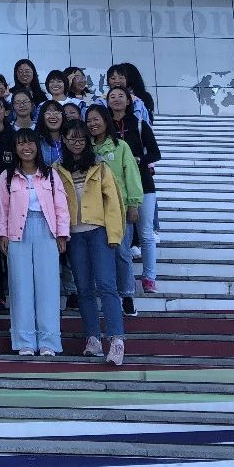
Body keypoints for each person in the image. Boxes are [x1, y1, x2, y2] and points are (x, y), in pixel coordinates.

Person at [0, 129, 70, 356]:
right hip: (18, 231)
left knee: (48, 286)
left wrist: (62, 234)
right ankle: (24, 341)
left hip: (46, 230)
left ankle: (49, 342)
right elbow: (1, 208)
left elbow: (61, 207)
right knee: (20, 286)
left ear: (37, 146)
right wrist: (2, 234)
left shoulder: (51, 175)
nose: (26, 148)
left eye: (30, 143)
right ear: (15, 148)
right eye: (20, 144)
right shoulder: (7, 177)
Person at [54, 121, 126, 366]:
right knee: (83, 288)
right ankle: (93, 338)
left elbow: (113, 202)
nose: (77, 143)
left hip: (98, 232)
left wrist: (115, 235)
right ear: (64, 140)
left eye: (81, 139)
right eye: (72, 139)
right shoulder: (56, 169)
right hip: (74, 235)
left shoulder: (100, 166)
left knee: (106, 285)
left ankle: (116, 339)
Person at [86, 103, 144, 316]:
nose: (93, 124)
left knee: (121, 253)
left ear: (106, 120)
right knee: (98, 254)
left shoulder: (121, 146)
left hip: (119, 208)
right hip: (93, 210)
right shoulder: (86, 147)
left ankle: (127, 295)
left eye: (96, 119)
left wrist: (134, 204)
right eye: (89, 120)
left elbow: (132, 176)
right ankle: (105, 295)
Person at [106, 85, 161, 295]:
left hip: (143, 184)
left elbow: (155, 153)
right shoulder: (105, 126)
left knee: (145, 232)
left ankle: (149, 277)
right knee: (121, 236)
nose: (117, 99)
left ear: (129, 101)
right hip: (116, 186)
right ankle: (123, 279)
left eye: (121, 96)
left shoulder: (139, 124)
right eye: (112, 96)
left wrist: (138, 161)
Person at [35, 100, 65, 166]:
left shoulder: (70, 139)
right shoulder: (36, 141)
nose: (53, 116)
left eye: (56, 113)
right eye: (48, 113)